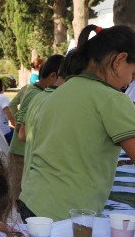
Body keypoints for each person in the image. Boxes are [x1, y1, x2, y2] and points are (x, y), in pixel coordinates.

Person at [19, 25, 135, 221]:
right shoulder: (112, 99)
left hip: (32, 201)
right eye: (133, 73)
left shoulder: (62, 90)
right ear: (119, 60)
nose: (130, 81)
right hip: (66, 214)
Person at [8, 55, 64, 200]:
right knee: (17, 196)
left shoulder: (35, 90)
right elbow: (22, 131)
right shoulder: (36, 95)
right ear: (53, 76)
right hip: (21, 154)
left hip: (25, 153)